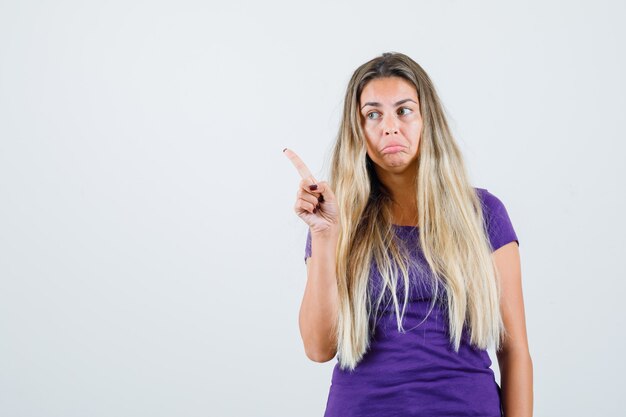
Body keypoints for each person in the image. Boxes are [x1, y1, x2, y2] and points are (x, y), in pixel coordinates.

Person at [284, 52, 533, 417]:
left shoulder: (483, 213)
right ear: (358, 130)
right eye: (373, 114)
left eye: (404, 111)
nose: (389, 126)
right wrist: (325, 237)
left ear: (426, 118)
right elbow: (319, 348)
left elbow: (514, 350)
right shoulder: (335, 220)